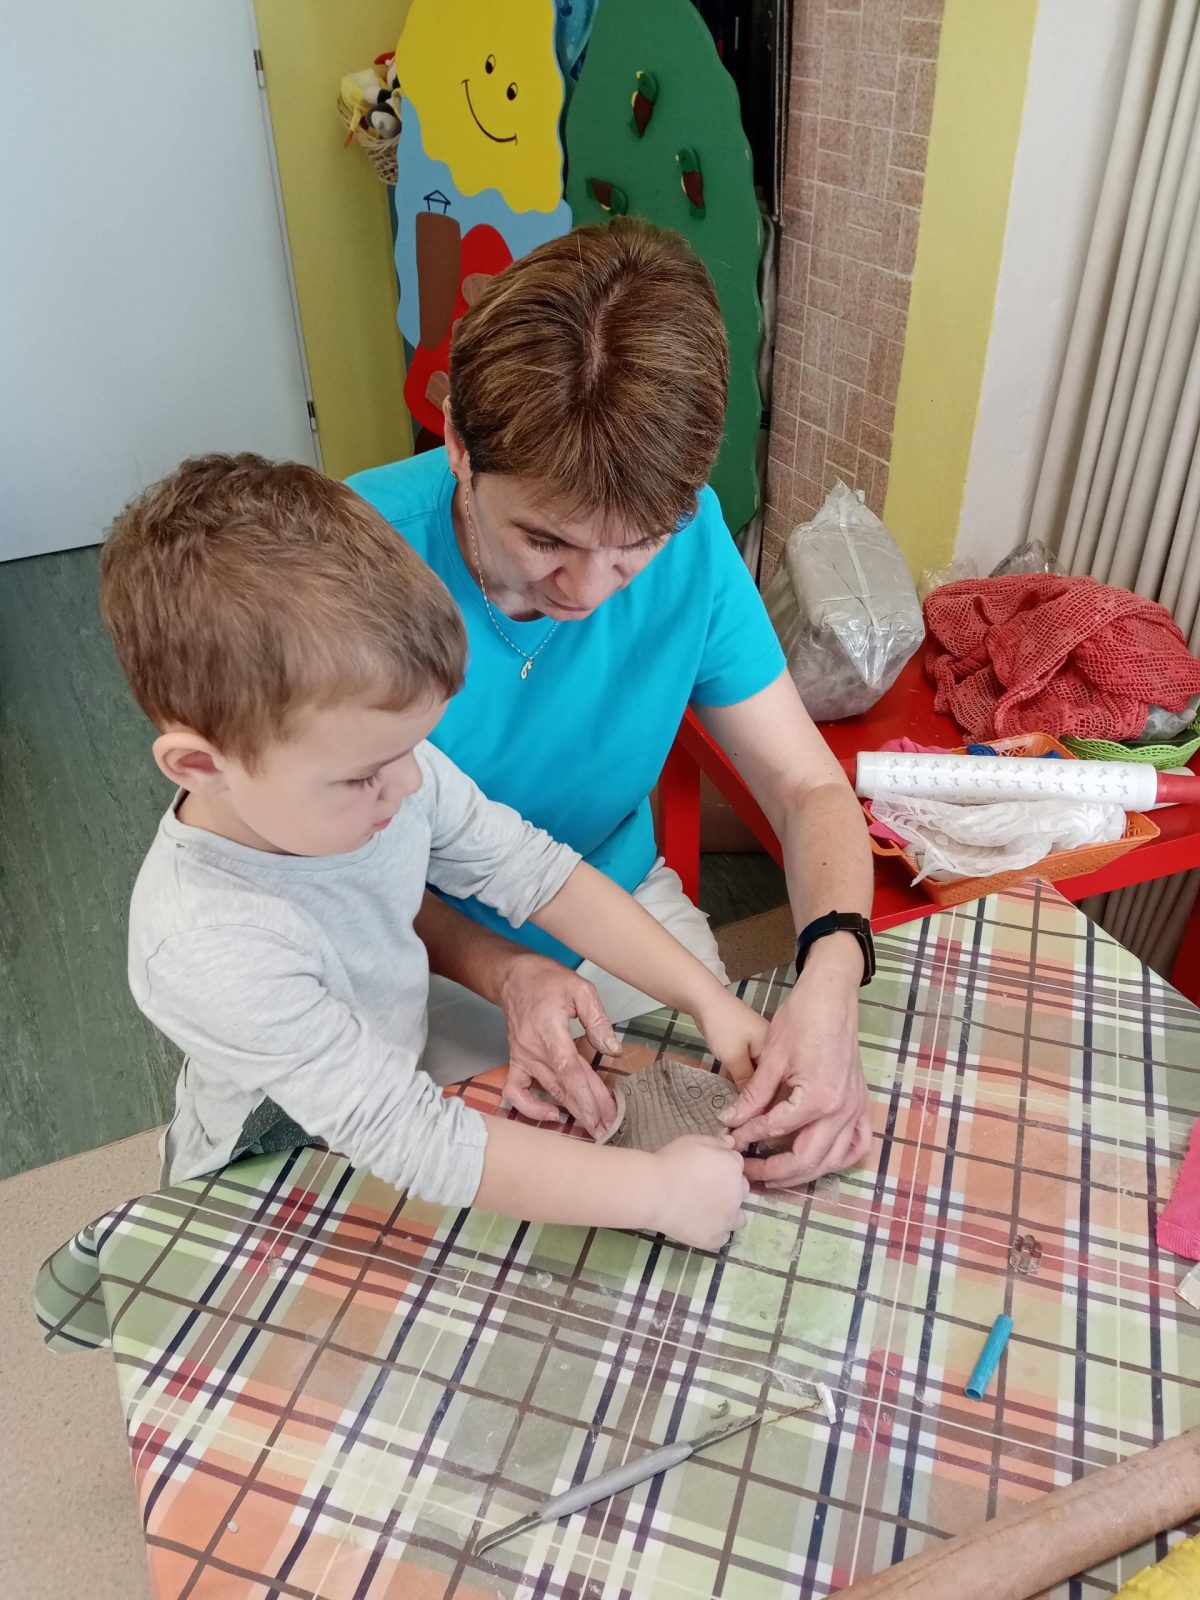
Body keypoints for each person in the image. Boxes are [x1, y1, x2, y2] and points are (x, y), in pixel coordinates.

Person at [98, 454, 772, 1249]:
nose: (412, 783)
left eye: (413, 748)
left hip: (387, 1090)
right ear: (199, 766)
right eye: (365, 775)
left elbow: (534, 870)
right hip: (272, 1169)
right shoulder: (207, 942)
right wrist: (659, 1194)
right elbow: (412, 1137)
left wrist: (710, 1000)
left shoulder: (380, 768)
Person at [348, 219, 875, 1189]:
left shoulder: (693, 536)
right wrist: (502, 969)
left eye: (634, 549)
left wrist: (833, 969)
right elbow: (320, 866)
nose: (588, 591)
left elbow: (807, 786)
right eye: (544, 541)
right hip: (398, 931)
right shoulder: (349, 563)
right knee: (440, 1214)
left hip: (614, 903)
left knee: (748, 1154)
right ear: (458, 442)